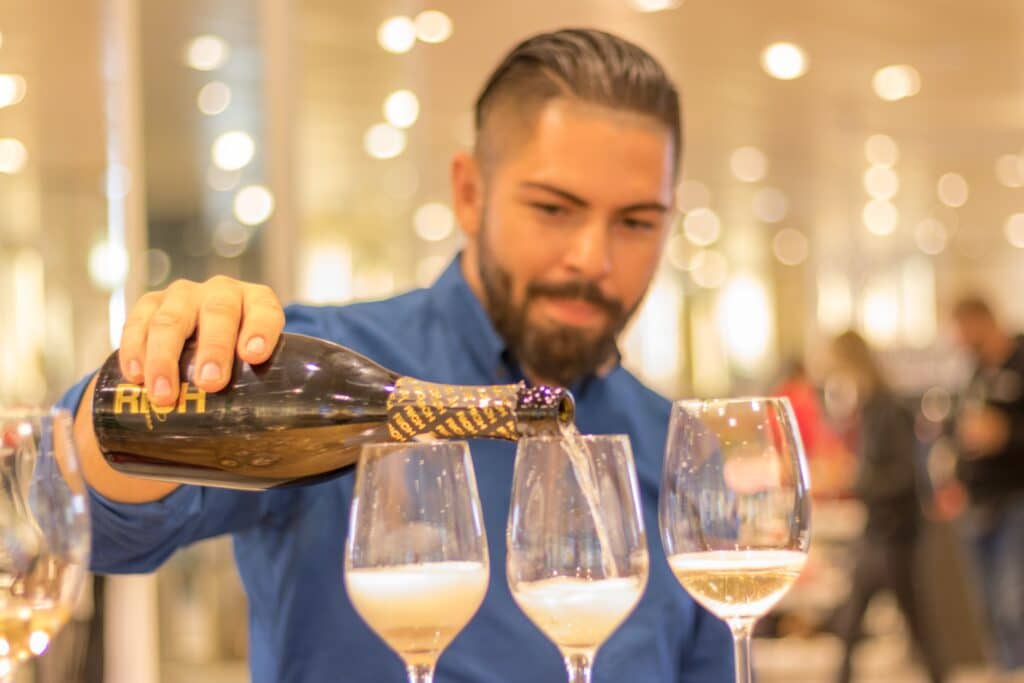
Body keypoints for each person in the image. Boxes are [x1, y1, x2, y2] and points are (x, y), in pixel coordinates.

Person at [58, 29, 734, 682]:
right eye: (555, 208)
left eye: (637, 221)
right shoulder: (322, 371)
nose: (594, 257)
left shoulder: (676, 443)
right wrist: (148, 371)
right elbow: (102, 524)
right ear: (469, 193)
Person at [827, 331, 947, 683]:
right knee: (852, 624)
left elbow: (904, 477)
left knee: (915, 623)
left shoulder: (887, 410)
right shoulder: (871, 409)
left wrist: (856, 480)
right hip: (879, 532)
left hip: (894, 536)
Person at [951, 296, 1024, 675]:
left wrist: (1006, 434)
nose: (958, 338)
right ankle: (1006, 670)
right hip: (978, 501)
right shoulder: (977, 370)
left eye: (961, 328)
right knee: (989, 605)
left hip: (1015, 499)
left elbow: (1002, 430)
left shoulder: (1020, 360)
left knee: (1015, 602)